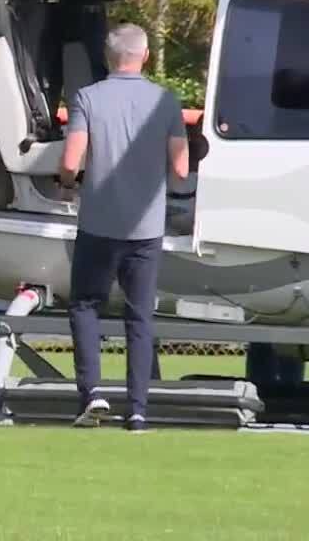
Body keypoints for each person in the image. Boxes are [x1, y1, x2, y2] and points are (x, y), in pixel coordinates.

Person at [58, 23, 189, 431]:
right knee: (139, 317)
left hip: (98, 222)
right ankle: (137, 409)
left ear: (107, 57)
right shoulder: (166, 100)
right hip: (146, 228)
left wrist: (67, 183)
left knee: (84, 305)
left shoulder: (87, 98)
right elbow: (181, 169)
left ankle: (92, 393)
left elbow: (69, 163)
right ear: (145, 56)